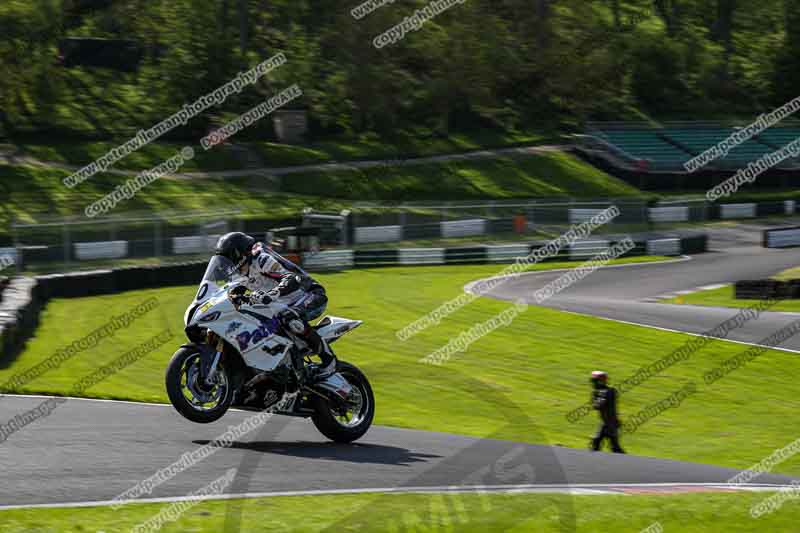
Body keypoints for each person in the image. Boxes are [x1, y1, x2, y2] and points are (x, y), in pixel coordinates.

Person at [214, 232, 337, 381]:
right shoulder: (236, 275)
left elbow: (290, 278)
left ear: (238, 253)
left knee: (289, 317)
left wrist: (273, 293)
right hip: (280, 304)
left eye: (229, 256)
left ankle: (329, 360)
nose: (227, 262)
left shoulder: (261, 259)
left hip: (308, 294)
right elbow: (232, 294)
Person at [589, 370, 625, 453]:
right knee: (609, 445)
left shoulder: (610, 391)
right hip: (605, 422)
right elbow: (595, 405)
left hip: (610, 423)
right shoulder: (597, 392)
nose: (593, 384)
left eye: (595, 381)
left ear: (601, 381)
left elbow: (599, 404)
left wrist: (599, 398)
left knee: (612, 446)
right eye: (593, 381)